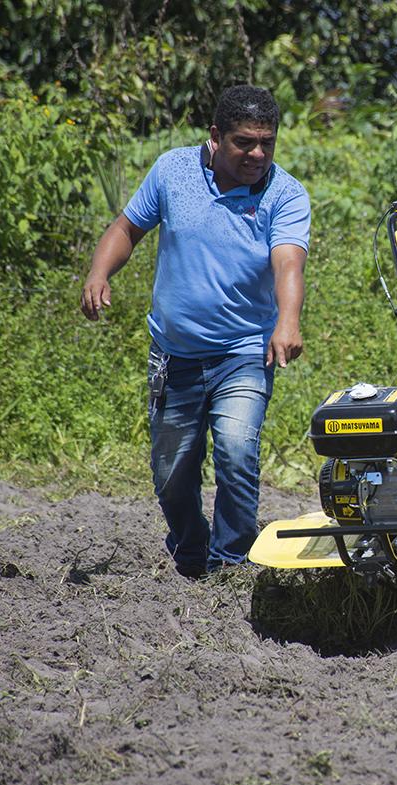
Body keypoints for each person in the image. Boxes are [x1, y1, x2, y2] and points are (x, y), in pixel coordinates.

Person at [81, 85, 311, 579]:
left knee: (235, 449)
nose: (257, 155)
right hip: (174, 354)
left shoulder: (285, 194)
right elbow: (126, 229)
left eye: (267, 143)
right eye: (244, 143)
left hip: (244, 352)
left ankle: (230, 563)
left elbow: (289, 262)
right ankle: (190, 552)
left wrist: (287, 321)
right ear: (215, 137)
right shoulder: (172, 171)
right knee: (171, 473)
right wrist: (100, 274)